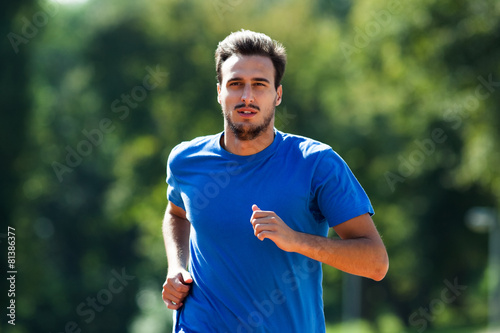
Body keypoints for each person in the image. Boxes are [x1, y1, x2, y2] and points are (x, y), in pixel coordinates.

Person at [161, 29, 389, 333]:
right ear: (219, 91)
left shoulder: (316, 163)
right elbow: (176, 213)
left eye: (259, 85)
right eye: (235, 84)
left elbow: (375, 263)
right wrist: (176, 266)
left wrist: (296, 241)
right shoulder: (186, 161)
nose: (247, 96)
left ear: (277, 94)